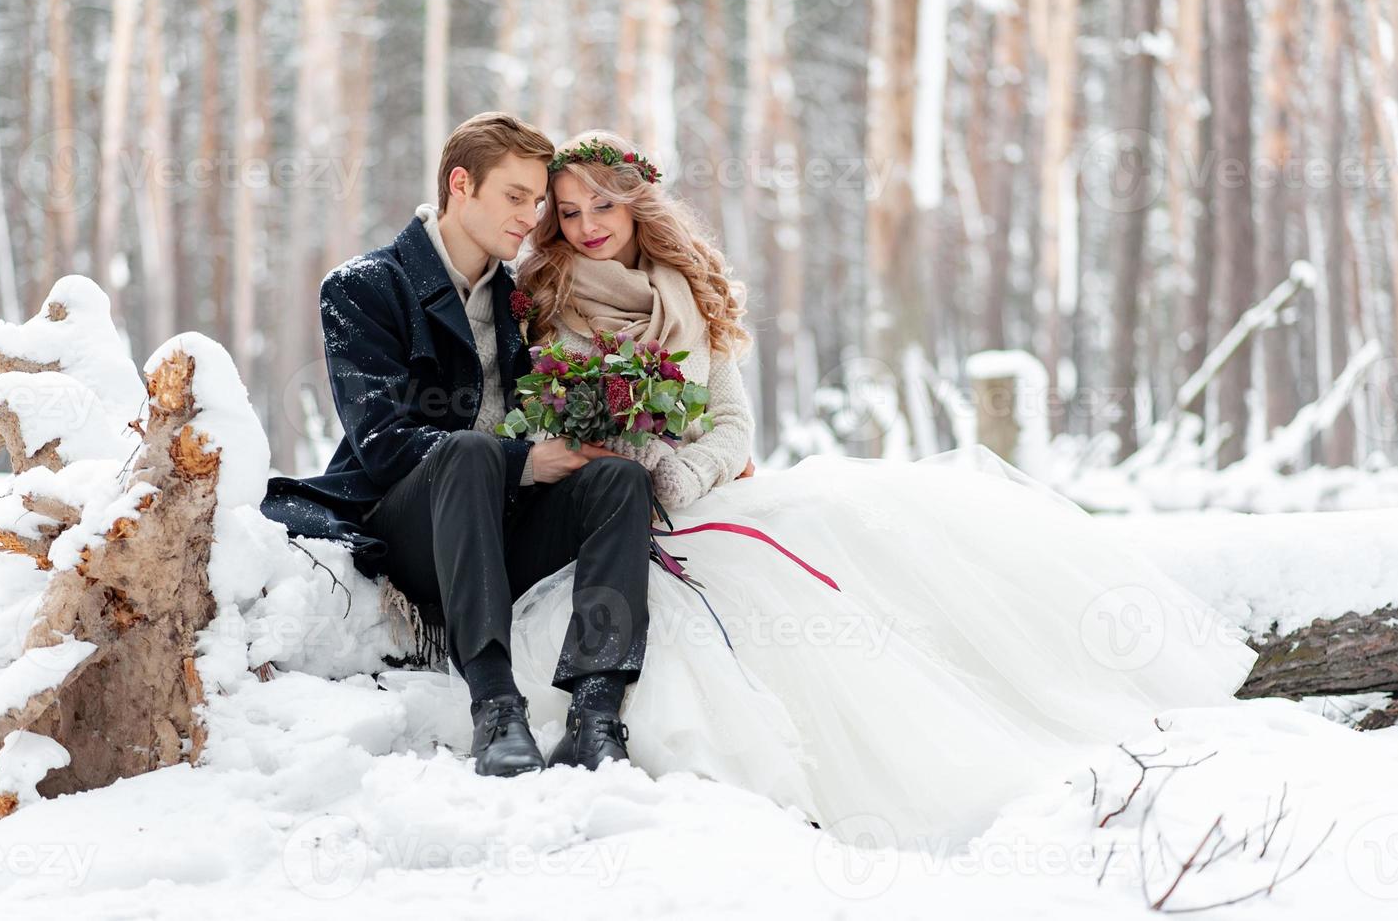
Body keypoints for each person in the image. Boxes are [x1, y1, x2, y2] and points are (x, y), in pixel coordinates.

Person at [484, 130, 1260, 846]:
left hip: (695, 492)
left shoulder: (691, 292)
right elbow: (528, 424)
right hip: (603, 504)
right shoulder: (544, 302)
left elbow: (729, 426)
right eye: (571, 211)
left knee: (845, 544)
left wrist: (684, 470)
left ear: (637, 203)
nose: (588, 225)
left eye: (604, 205)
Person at [260, 114, 656, 778]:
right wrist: (523, 461)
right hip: (413, 534)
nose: (530, 218)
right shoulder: (365, 287)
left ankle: (595, 714)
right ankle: (496, 707)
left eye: (536, 202)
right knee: (466, 452)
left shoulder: (523, 301)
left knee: (619, 481)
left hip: (503, 531)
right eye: (514, 197)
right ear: (460, 184)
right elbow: (384, 443)